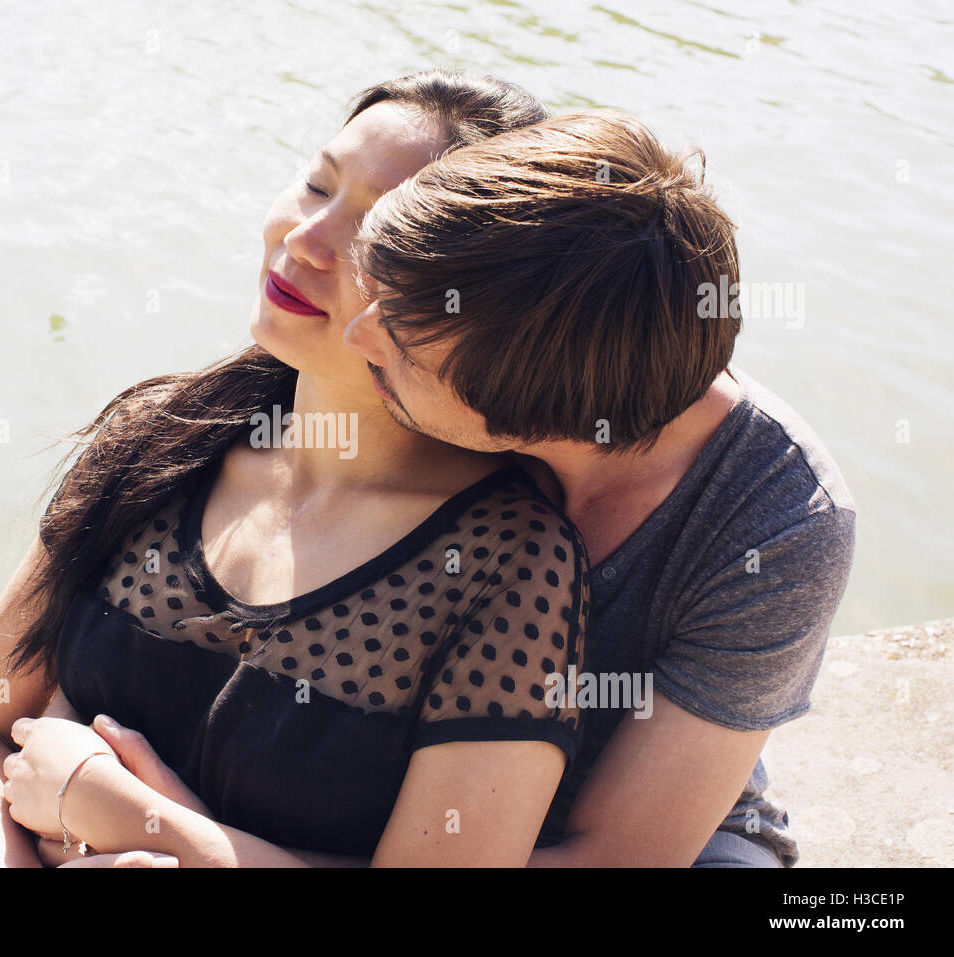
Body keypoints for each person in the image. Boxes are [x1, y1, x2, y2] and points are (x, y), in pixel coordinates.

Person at [0, 69, 592, 868]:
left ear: (469, 300)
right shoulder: (159, 439)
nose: (306, 238)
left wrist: (152, 827)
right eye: (317, 184)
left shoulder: (511, 565)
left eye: (376, 233)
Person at [340, 109, 857, 866]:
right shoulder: (503, 296)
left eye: (401, 342)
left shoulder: (779, 522)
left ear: (527, 416)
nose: (357, 336)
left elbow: (617, 856)